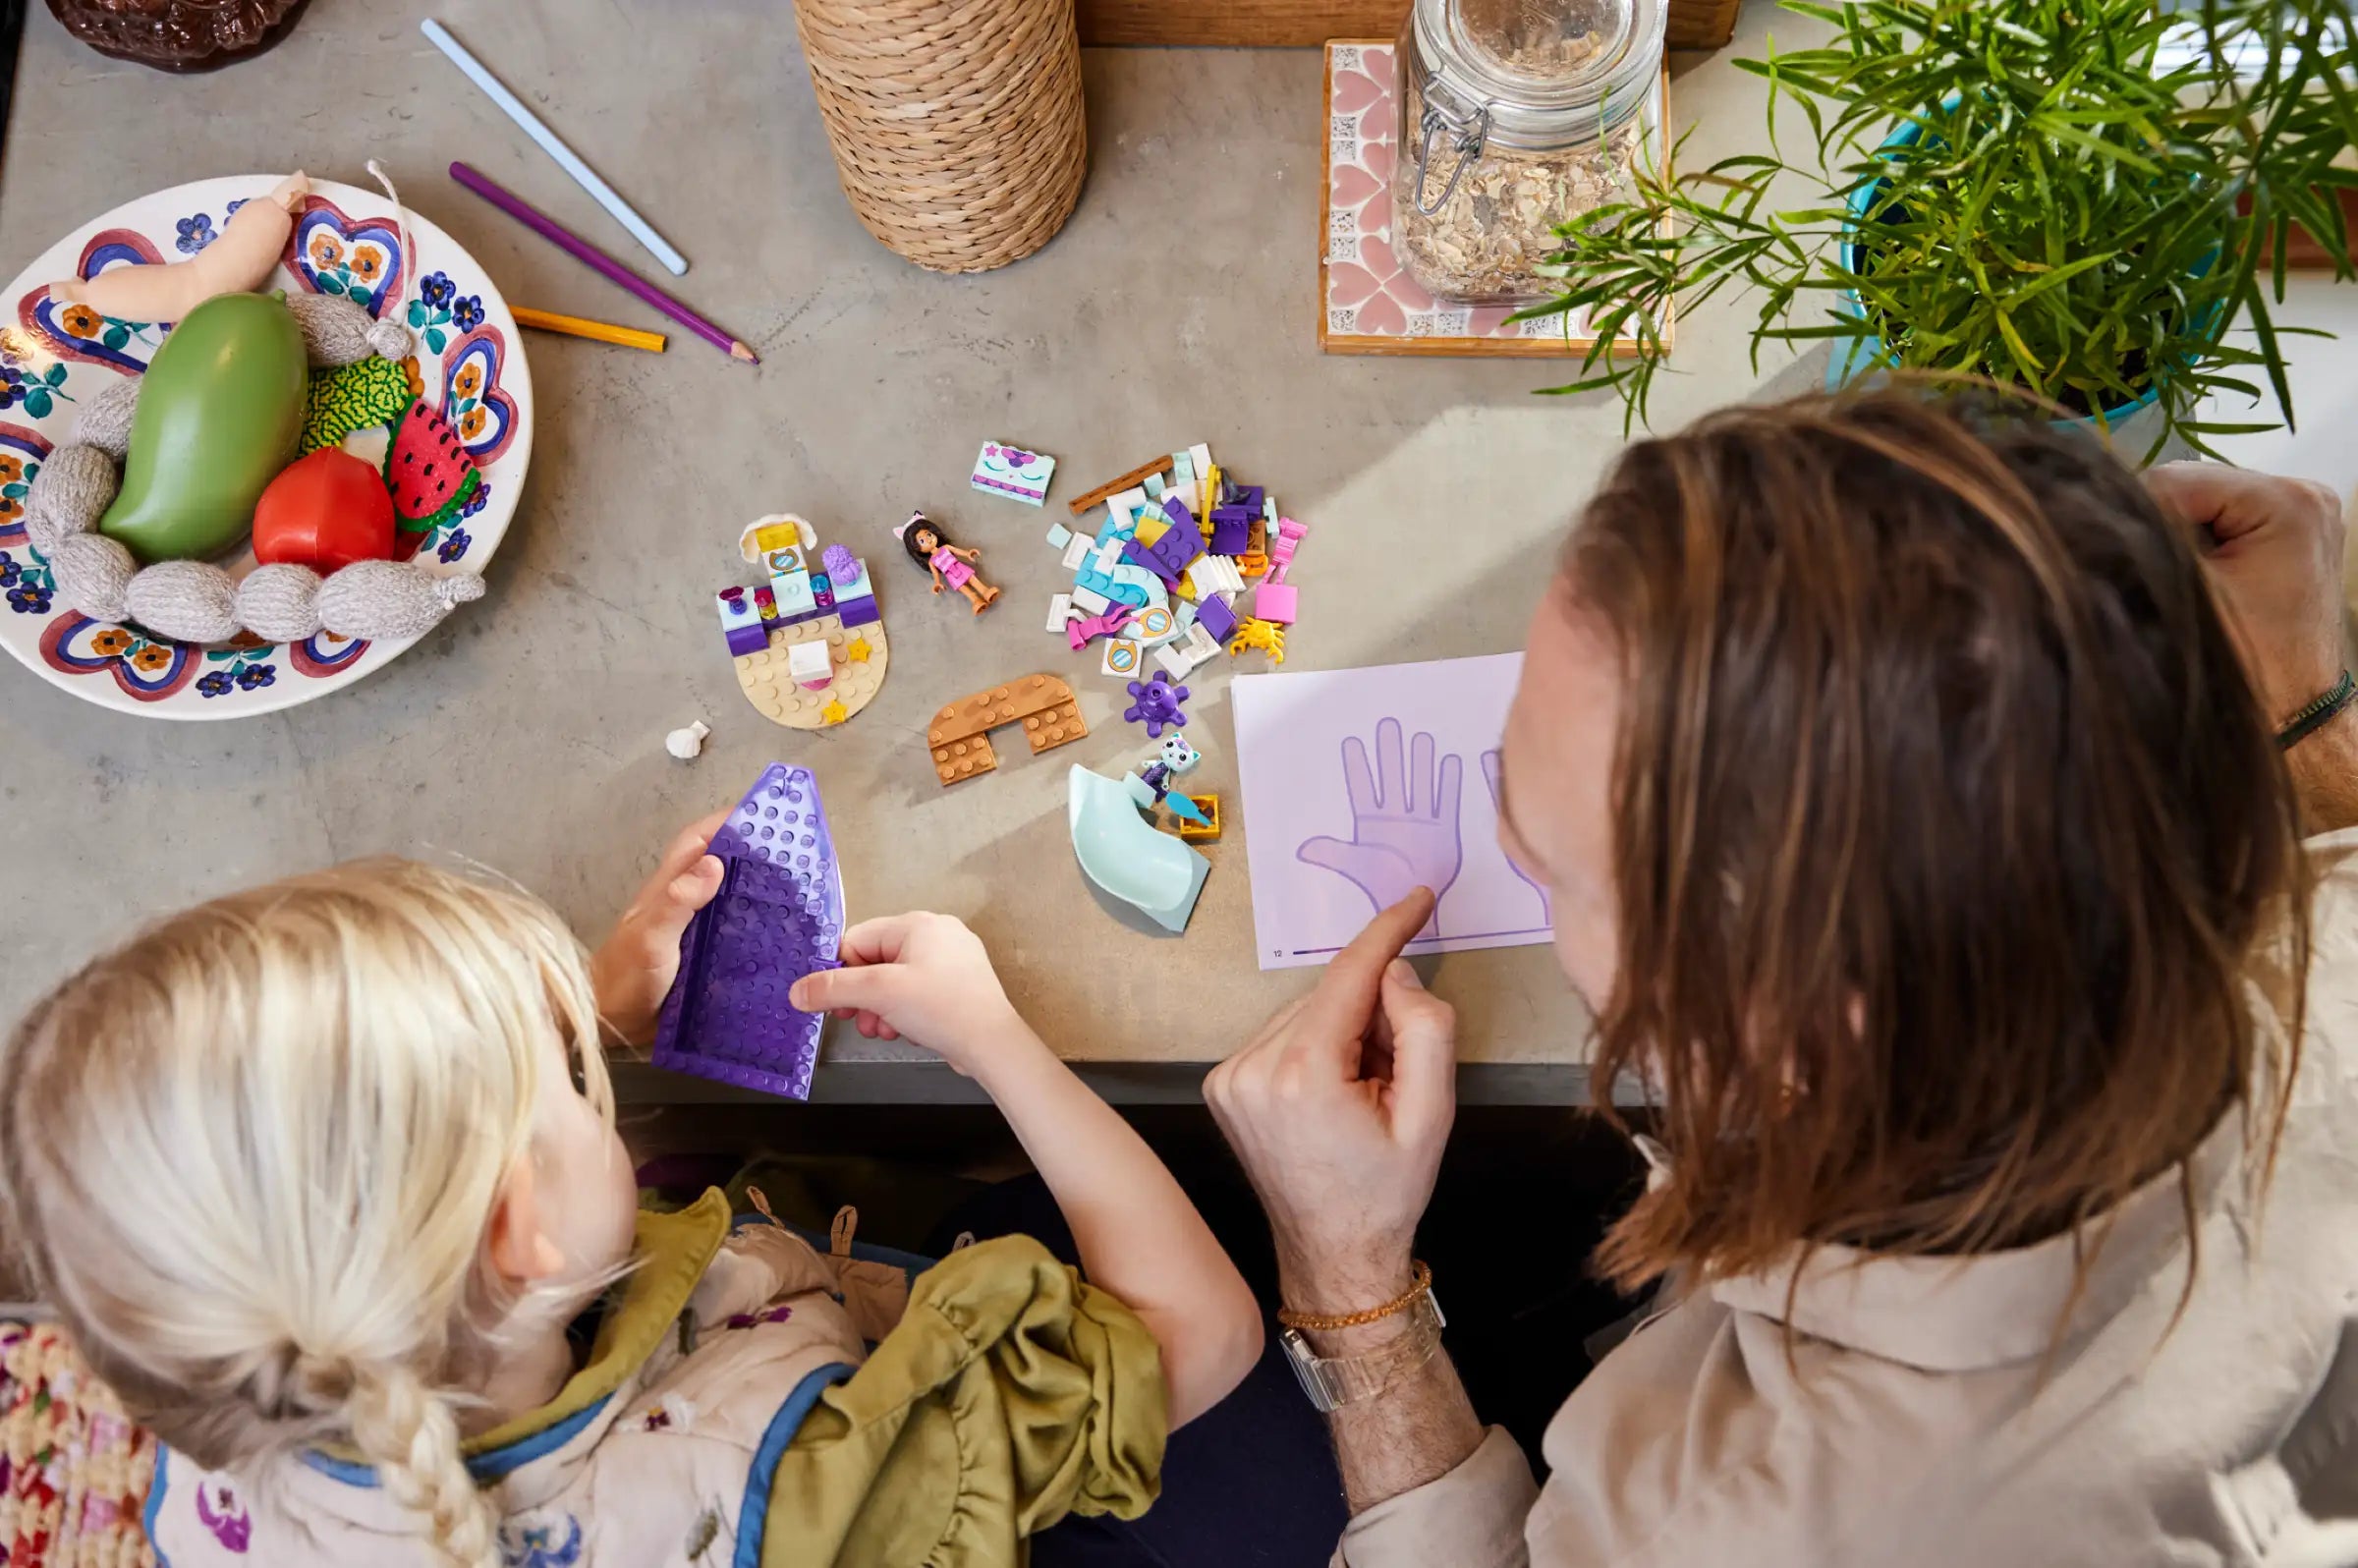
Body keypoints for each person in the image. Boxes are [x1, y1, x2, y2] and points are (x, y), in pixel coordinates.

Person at [1206, 391, 2358, 1567]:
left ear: (1784, 1021)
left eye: (1545, 858)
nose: (1496, 842)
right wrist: (2309, 719)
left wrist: (1346, 1281)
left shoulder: (1747, 1521)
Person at [0, 843, 1263, 1566]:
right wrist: (997, 1041)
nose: (592, 1067)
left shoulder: (238, 1347)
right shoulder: (795, 1491)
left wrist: (590, 1015)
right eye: (568, 1078)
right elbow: (1198, 1336)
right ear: (518, 1231)